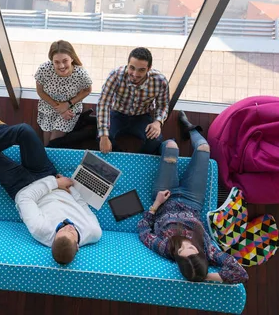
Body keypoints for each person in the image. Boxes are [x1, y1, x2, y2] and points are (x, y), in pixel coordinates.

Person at [0, 116, 102, 265]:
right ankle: (4, 132)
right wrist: (68, 187)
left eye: (62, 230)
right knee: (24, 130)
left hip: (21, 186)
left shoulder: (41, 231)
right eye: (71, 231)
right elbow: (82, 204)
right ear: (78, 246)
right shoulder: (93, 232)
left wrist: (54, 184)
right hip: (45, 173)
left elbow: (24, 198)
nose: (67, 227)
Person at [136, 111, 248, 284]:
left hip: (165, 196)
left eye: (182, 249)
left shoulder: (165, 247)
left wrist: (156, 204)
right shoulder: (208, 250)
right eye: (191, 248)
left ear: (178, 258)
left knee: (172, 146)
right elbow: (240, 273)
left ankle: (162, 146)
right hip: (192, 200)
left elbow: (143, 230)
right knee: (204, 148)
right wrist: (205, 276)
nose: (186, 244)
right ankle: (190, 128)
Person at [97, 47, 169, 155]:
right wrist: (103, 136)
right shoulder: (115, 75)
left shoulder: (160, 80)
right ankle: (119, 160)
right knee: (102, 137)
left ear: (149, 68)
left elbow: (163, 105)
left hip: (142, 117)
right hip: (117, 114)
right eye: (132, 68)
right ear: (127, 64)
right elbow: (103, 103)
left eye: (141, 70)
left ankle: (138, 160)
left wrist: (157, 122)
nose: (135, 74)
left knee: (156, 140)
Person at [35, 40, 93, 146]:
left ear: (72, 58)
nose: (61, 66)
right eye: (56, 62)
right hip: (49, 104)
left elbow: (88, 90)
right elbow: (40, 91)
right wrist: (59, 108)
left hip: (71, 106)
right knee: (46, 143)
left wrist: (67, 104)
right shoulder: (44, 70)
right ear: (52, 61)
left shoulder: (81, 74)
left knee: (53, 143)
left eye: (65, 61)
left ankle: (86, 132)